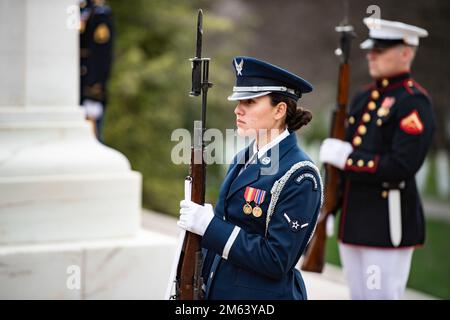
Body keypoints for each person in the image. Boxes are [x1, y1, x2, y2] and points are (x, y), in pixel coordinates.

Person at [178, 56, 323, 300]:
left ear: (279, 110)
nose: (238, 109)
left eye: (250, 102)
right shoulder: (245, 157)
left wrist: (211, 226)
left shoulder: (300, 175)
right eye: (238, 101)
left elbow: (277, 260)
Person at [319, 18, 435, 299]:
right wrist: (329, 207)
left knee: (380, 296)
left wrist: (348, 159)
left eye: (380, 50)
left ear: (406, 52)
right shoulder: (363, 98)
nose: (371, 55)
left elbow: (402, 165)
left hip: (383, 224)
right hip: (352, 221)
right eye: (371, 49)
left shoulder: (413, 102)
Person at [79, 0, 114, 141]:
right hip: (76, 85)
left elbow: (102, 55)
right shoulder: (80, 10)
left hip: (89, 85)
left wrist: (94, 89)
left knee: (92, 140)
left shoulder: (99, 14)